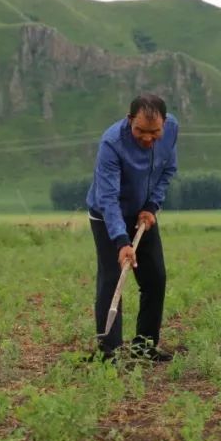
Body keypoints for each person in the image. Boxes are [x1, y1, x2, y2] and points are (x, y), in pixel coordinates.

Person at [86, 93, 179, 362]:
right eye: (140, 131)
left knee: (155, 278)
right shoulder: (112, 143)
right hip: (107, 216)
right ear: (129, 121)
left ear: (164, 123)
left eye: (155, 132)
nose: (148, 138)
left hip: (142, 214)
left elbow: (168, 170)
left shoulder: (172, 129)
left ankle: (144, 346)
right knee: (112, 280)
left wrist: (151, 206)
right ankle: (109, 354)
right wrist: (121, 240)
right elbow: (108, 198)